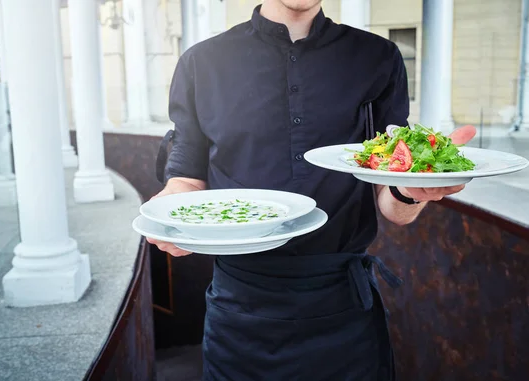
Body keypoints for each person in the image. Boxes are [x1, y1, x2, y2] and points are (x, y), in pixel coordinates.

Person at [148, 0, 476, 379]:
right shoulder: (200, 63)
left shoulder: (377, 57)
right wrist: (173, 214)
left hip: (341, 305)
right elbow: (187, 178)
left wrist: (412, 190)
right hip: (241, 305)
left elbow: (392, 203)